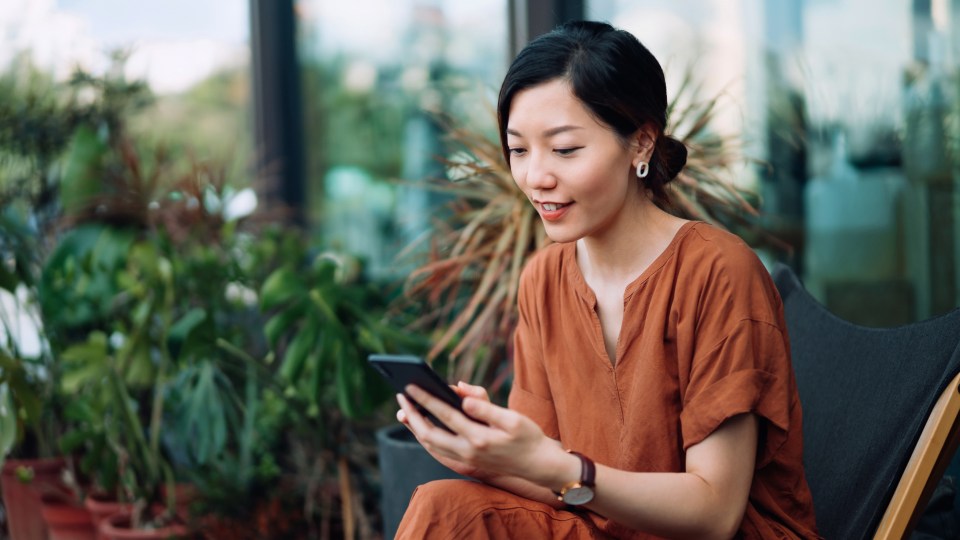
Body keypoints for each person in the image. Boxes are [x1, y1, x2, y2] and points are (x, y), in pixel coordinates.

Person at [394, 20, 821, 539]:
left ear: (641, 142)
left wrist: (552, 466)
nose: (535, 177)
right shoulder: (543, 279)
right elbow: (556, 481)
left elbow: (715, 514)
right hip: (605, 527)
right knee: (446, 509)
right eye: (519, 149)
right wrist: (485, 454)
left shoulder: (718, 271)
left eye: (564, 149)